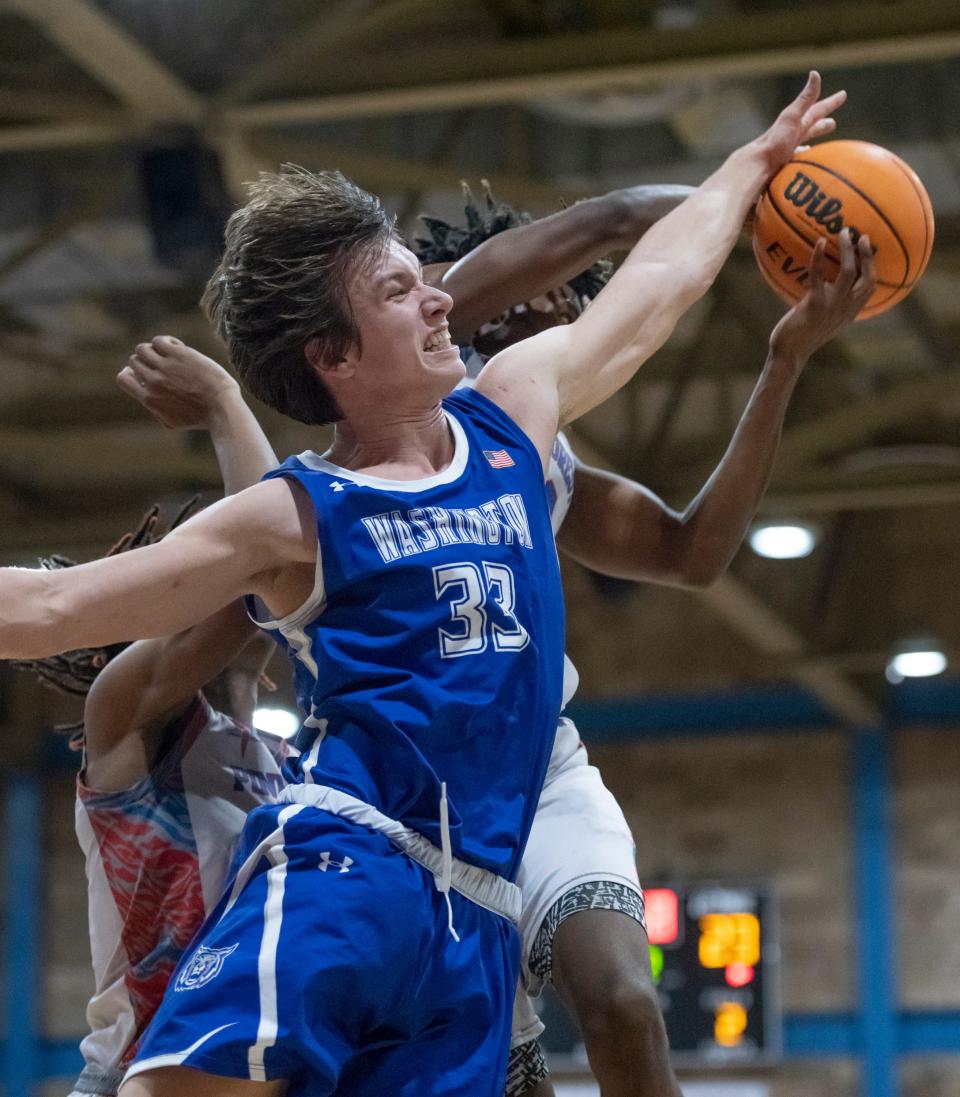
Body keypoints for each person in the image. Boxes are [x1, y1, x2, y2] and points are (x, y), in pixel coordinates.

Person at [0, 74, 849, 1097]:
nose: (444, 296)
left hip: (476, 917)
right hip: (353, 866)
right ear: (334, 357)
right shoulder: (299, 511)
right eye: (401, 291)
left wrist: (751, 163)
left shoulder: (513, 412)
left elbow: (652, 290)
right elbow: (51, 608)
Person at [414, 191, 876, 1097]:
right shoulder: (422, 389)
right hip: (408, 797)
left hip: (538, 773)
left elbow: (691, 551)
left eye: (552, 298)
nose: (527, 307)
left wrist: (785, 357)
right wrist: (750, 207)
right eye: (520, 283)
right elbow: (579, 231)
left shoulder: (549, 466)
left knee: (627, 1003)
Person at [12, 348, 291, 1097]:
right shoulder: (125, 720)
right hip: (136, 1069)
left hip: (250, 1068)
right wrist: (226, 403)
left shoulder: (295, 760)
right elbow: (267, 558)